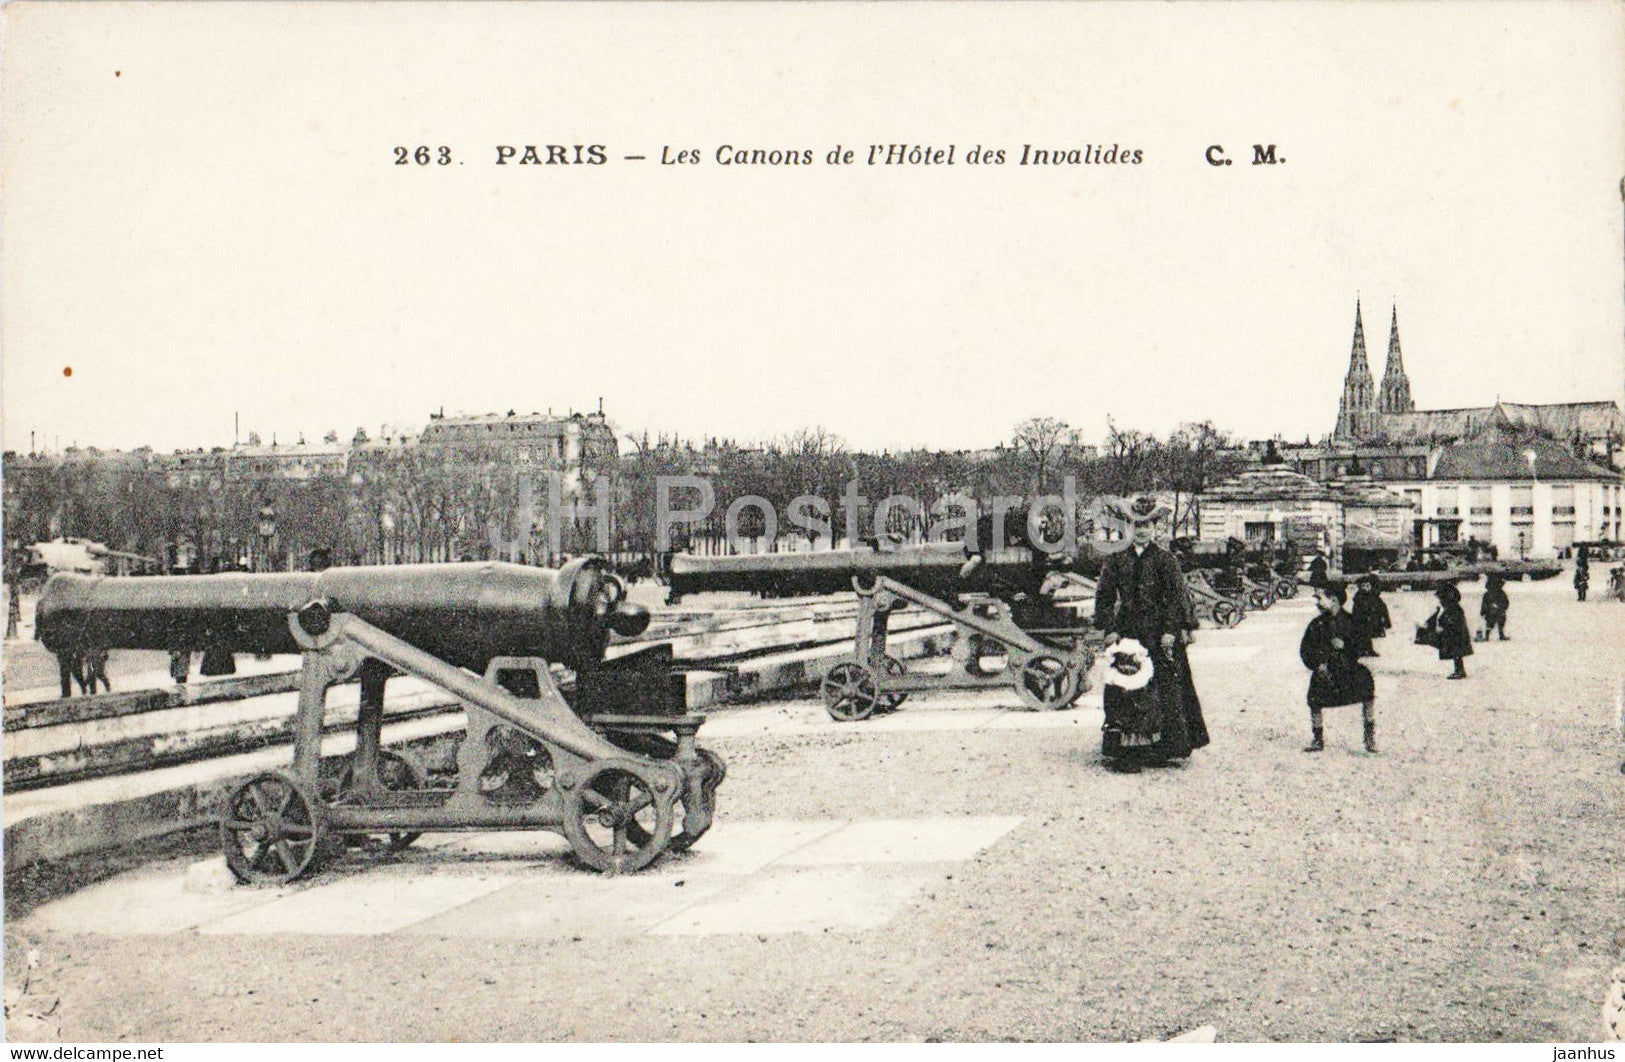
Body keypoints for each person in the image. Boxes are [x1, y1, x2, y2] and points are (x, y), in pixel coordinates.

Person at [1093, 495, 1210, 773]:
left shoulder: (1165, 559)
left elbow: (1176, 597)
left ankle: (1162, 748)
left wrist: (1171, 630)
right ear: (1128, 527)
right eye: (1137, 525)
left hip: (1159, 635)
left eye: (1147, 525)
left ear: (1155, 527)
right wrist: (1109, 629)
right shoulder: (1117, 559)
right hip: (1127, 633)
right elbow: (1105, 596)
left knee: (1163, 690)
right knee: (1125, 686)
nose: (1142, 530)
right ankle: (1126, 751)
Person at [1299, 582, 1377, 753]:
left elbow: (1365, 646)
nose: (1318, 602)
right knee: (1314, 699)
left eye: (1321, 598)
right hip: (1326, 671)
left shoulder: (1352, 621)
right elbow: (1306, 649)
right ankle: (1318, 739)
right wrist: (1317, 664)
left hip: (1348, 669)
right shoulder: (1316, 624)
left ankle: (1370, 737)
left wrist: (1346, 646)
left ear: (1333, 599)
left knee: (1367, 687)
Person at [1426, 582, 1473, 680]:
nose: (1441, 602)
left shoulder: (1454, 609)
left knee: (1457, 654)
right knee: (1456, 654)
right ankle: (1459, 670)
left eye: (1441, 599)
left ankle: (1460, 671)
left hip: (1456, 636)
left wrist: (1443, 622)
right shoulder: (1452, 608)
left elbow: (1452, 621)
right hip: (1453, 636)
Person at [1349, 574, 1390, 658]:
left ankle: (1368, 649)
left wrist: (1384, 621)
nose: (1366, 588)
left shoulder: (1373, 597)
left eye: (1367, 586)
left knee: (1367, 636)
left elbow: (1382, 609)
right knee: (1361, 635)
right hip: (1361, 620)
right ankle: (1362, 650)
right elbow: (1356, 611)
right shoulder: (1359, 597)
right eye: (1363, 586)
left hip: (1369, 620)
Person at [1480, 573, 1510, 641]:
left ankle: (1488, 636)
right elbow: (1506, 602)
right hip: (1498, 611)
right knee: (1499, 623)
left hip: (1492, 612)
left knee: (1491, 624)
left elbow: (1484, 603)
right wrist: (1504, 608)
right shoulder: (1501, 593)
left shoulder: (1488, 594)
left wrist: (1483, 611)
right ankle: (1500, 635)